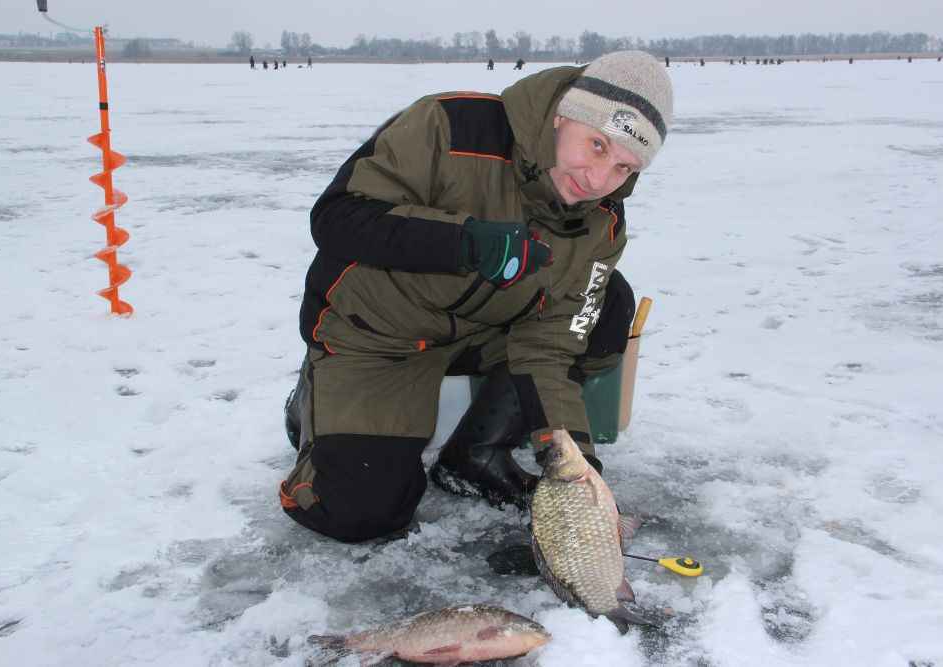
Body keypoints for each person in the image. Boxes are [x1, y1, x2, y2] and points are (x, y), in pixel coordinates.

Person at [279, 51, 674, 543]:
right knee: (359, 514)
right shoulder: (450, 127)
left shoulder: (601, 222)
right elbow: (337, 217)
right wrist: (463, 242)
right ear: (563, 116)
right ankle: (312, 400)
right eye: (597, 145)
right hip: (379, 335)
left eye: (623, 166)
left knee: (606, 305)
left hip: (482, 329)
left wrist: (579, 470)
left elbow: (550, 349)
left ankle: (475, 454)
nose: (598, 179)